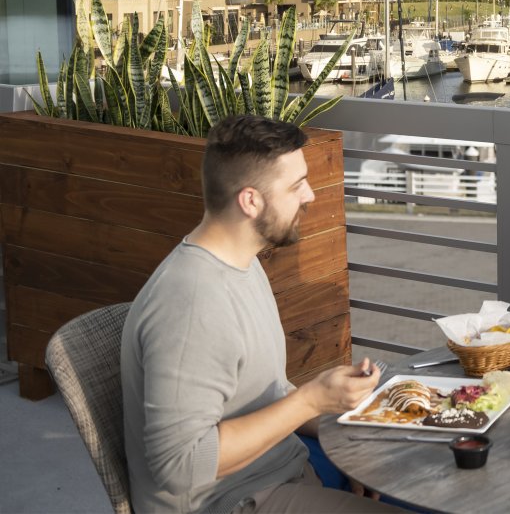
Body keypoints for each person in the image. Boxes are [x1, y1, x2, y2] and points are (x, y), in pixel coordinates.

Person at [121, 115, 393, 513]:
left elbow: (265, 393)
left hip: (282, 469)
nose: (311, 195)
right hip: (228, 501)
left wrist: (346, 442)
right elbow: (179, 466)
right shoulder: (193, 304)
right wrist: (312, 400)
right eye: (296, 185)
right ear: (250, 200)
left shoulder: (242, 263)